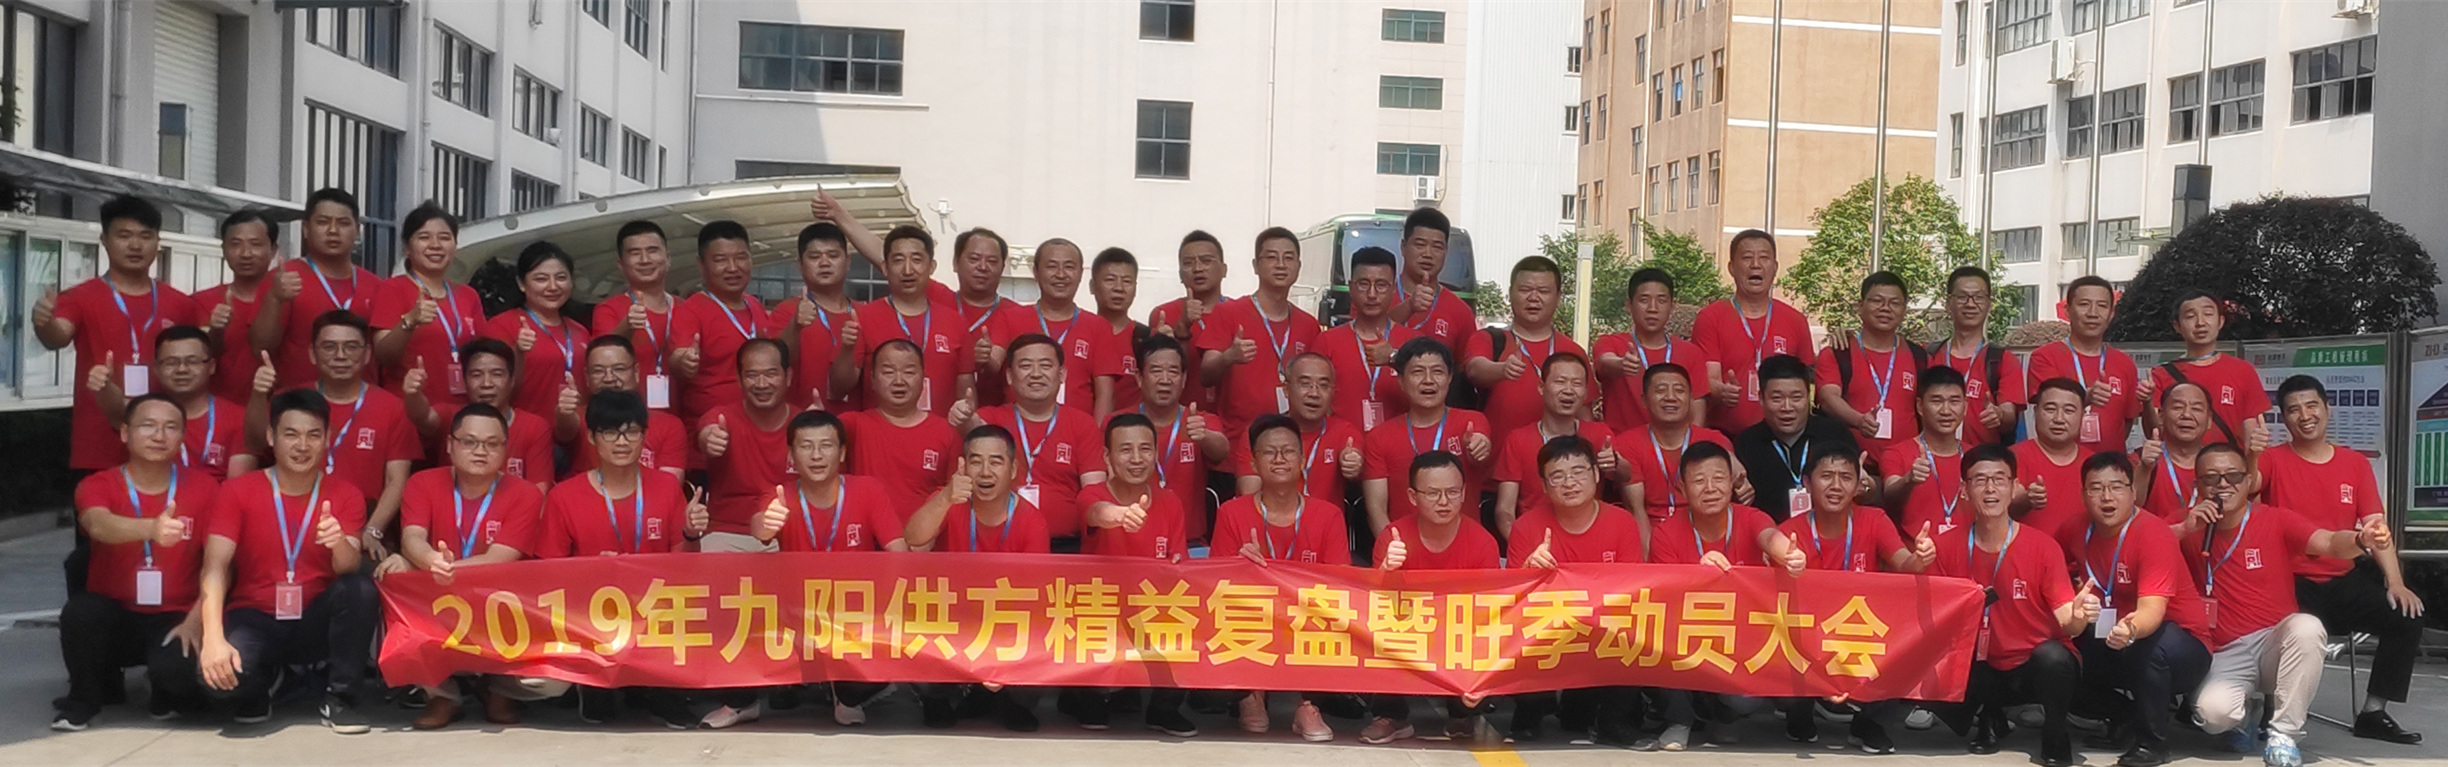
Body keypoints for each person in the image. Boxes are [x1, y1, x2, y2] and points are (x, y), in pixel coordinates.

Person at [2176, 442, 2384, 767]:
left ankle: (2284, 734)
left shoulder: (2275, 519)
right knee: (2214, 716)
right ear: (2197, 484)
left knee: (2308, 627)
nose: (2223, 485)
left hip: (2274, 642)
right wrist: (2184, 529)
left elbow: (2329, 542)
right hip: (2224, 649)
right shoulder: (2188, 522)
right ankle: (2246, 712)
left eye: (2233, 476)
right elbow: (2142, 541)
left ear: (2248, 481)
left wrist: (2360, 540)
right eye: (2211, 478)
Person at [194, 390, 380, 733]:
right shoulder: (237, 491)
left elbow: (348, 567)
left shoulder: (345, 494)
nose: (302, 446)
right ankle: (267, 681)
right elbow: (215, 567)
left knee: (359, 589)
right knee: (218, 683)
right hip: (255, 616)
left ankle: (341, 698)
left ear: (327, 439)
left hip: (315, 617)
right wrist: (213, 639)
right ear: (271, 436)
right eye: (291, 434)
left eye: (313, 435)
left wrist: (338, 542)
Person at [2260, 376, 2425, 744]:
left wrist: (2395, 582)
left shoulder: (2354, 464)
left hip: (2342, 580)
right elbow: (2247, 484)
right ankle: (2271, 708)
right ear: (2283, 418)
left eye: (2311, 405)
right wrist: (2250, 450)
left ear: (2327, 408)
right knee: (2271, 624)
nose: (2305, 415)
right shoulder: (2271, 460)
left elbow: (2376, 529)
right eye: (2293, 409)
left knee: (2407, 614)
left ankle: (2374, 712)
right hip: (2289, 582)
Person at [378, 403, 562, 729]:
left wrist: (433, 567)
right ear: (450, 445)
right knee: (393, 574)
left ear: (505, 449)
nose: (481, 451)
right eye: (470, 442)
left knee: (554, 683)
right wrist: (429, 561)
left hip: (502, 611)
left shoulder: (526, 494)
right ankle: (442, 695)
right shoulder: (422, 483)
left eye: (492, 444)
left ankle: (498, 688)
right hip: (438, 599)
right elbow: (412, 538)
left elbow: (498, 559)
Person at [535, 390, 708, 728]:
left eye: (631, 432)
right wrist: (592, 571)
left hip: (655, 604)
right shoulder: (563, 496)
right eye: (610, 432)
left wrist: (690, 533)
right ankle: (594, 685)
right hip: (592, 609)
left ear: (644, 437)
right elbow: (548, 573)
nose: (622, 441)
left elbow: (685, 568)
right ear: (591, 437)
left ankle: (663, 691)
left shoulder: (666, 487)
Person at [52, 393, 217, 731]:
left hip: (176, 615)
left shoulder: (206, 488)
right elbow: (97, 524)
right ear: (125, 433)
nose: (159, 435)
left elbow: (218, 564)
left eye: (171, 427)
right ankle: (83, 701)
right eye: (148, 426)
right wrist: (150, 529)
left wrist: (196, 620)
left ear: (182, 437)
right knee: (80, 612)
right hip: (116, 613)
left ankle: (164, 689)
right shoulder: (98, 484)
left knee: (178, 685)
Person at [743, 410, 905, 728]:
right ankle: (752, 700)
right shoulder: (780, 495)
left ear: (842, 452)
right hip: (798, 614)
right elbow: (760, 526)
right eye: (806, 446)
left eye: (826, 445)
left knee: (870, 669)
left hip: (854, 614)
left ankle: (846, 694)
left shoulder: (868, 490)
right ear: (791, 456)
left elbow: (899, 553)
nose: (816, 455)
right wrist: (767, 523)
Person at [1639, 441, 1802, 751]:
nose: (1710, 488)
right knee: (1649, 637)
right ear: (1682, 488)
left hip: (1741, 637)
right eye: (1699, 480)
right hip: (1687, 634)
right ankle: (1679, 719)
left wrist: (1789, 555)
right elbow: (1662, 598)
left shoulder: (1751, 517)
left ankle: (1723, 716)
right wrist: (1699, 577)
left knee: (1747, 701)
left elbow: (1770, 537)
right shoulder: (1666, 533)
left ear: (1733, 482)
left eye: (1718, 478)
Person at [1929, 444, 2084, 767]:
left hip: (2030, 667)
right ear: (1964, 490)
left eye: (1999, 479)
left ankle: (2055, 734)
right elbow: (1933, 619)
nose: (1990, 488)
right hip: (1978, 663)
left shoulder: (2043, 547)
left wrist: (2080, 615)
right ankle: (1987, 716)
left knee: (2053, 657)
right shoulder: (1945, 545)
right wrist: (1919, 562)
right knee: (1928, 661)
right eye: (1980, 480)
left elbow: (2067, 620)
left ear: (2014, 488)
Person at [1775, 443, 1937, 752]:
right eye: (1826, 476)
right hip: (1808, 638)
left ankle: (1869, 724)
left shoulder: (1874, 520)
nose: (1836, 485)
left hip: (1860, 635)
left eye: (1846, 477)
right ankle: (1799, 712)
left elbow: (1905, 564)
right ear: (1807, 483)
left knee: (1916, 645)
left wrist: (1921, 558)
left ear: (1858, 485)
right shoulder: (1788, 532)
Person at [2062, 452, 2210, 767]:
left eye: (2117, 487)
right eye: (2096, 488)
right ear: (2083, 495)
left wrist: (2130, 629)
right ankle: (2124, 718)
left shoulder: (2153, 534)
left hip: (2179, 645)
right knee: (2057, 660)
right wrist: (2071, 599)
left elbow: (2152, 611)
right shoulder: (2075, 528)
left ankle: (2152, 743)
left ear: (2133, 492)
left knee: (2149, 646)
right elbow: (2049, 565)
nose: (2107, 497)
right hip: (2112, 635)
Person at [901, 425, 1053, 732]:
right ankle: (937, 700)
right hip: (951, 617)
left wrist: (997, 655)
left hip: (1005, 620)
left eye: (996, 462)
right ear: (963, 465)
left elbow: (1034, 597)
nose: (985, 471)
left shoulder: (1031, 520)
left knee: (1036, 666)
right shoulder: (948, 500)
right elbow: (913, 538)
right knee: (914, 636)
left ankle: (1003, 701)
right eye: (976, 461)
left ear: (1013, 470)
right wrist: (946, 498)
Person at [1212, 415, 1353, 741]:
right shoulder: (1231, 512)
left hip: (1306, 613)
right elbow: (1216, 582)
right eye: (1269, 452)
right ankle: (1251, 693)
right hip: (1254, 612)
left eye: (1288, 451)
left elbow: (1341, 582)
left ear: (1302, 461)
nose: (1279, 459)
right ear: (1253, 463)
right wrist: (1239, 566)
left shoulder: (1328, 514)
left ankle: (1307, 704)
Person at [35, 195, 197, 478]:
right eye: (124, 235)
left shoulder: (180, 303)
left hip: (164, 442)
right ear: (105, 240)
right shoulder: (80, 297)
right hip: (98, 442)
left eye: (145, 236)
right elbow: (57, 336)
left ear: (157, 242)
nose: (135, 245)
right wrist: (44, 323)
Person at [1505, 435, 1646, 745]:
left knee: (1637, 627)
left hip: (1603, 627)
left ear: (1596, 474)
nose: (1569, 483)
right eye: (1557, 476)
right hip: (1548, 629)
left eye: (1579, 472)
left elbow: (1632, 589)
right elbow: (1512, 600)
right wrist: (1530, 570)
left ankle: (1613, 721)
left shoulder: (1622, 522)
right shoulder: (1526, 527)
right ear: (1544, 486)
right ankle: (1529, 712)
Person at [249, 311, 416, 563]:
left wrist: (372, 530)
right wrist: (258, 394)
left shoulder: (392, 407)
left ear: (367, 354)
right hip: (290, 522)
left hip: (361, 526)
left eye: (351, 347)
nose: (340, 355)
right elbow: (256, 442)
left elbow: (397, 480)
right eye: (329, 347)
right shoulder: (290, 400)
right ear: (312, 354)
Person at [1359, 451, 1501, 745]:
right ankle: (1390, 715)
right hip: (1409, 631)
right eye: (1433, 493)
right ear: (1413, 496)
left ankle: (1461, 714)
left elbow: (1490, 613)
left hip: (1458, 636)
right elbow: (1373, 605)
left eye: (1452, 492)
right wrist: (1386, 570)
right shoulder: (1393, 536)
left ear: (1464, 493)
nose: (1444, 501)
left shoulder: (1483, 543)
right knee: (1374, 632)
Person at [1066, 413, 1192, 734]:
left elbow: (1179, 562)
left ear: (1155, 453)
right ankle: (1087, 696)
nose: (1136, 458)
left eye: (1145, 449)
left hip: (1151, 606)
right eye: (1125, 450)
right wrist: (1121, 515)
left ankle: (1163, 709)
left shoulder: (1171, 501)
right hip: (1103, 607)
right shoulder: (1091, 494)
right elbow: (1098, 513)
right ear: (1107, 456)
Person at [957, 334, 1108, 547]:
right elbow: (975, 430)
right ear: (1010, 376)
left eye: (1045, 365)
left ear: (1062, 374)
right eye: (1025, 366)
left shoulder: (1083, 424)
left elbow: (1093, 492)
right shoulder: (990, 418)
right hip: (1003, 543)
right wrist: (964, 420)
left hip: (1065, 546)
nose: (1036, 374)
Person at [1362, 339, 1494, 538]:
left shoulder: (1472, 421)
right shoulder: (1379, 437)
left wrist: (1479, 447)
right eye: (1417, 372)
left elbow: (1480, 445)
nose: (1428, 380)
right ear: (1401, 381)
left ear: (1450, 378)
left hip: (1464, 546)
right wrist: (1394, 547)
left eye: (1437, 372)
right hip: (1406, 548)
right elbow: (1376, 510)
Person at [1195, 227, 1319, 439]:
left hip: (1290, 444)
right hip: (1239, 439)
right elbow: (1206, 375)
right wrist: (1228, 358)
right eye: (1271, 257)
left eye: (1288, 258)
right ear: (1255, 265)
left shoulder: (1309, 325)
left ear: (1298, 266)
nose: (1281, 265)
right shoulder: (1228, 312)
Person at [250, 188, 378, 391]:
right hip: (299, 402)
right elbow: (261, 348)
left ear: (357, 230)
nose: (333, 230)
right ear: (306, 229)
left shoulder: (376, 286)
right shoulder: (283, 279)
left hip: (361, 404)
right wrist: (275, 298)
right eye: (323, 222)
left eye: (343, 223)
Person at [1691, 230, 1814, 435]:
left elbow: (1805, 382)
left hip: (1781, 437)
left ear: (1775, 268)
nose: (1755, 264)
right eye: (1747, 257)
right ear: (1731, 267)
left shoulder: (1795, 320)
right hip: (1726, 436)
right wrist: (1720, 391)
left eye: (1764, 258)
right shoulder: (1711, 317)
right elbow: (1706, 379)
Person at [91, 326, 253, 481]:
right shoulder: (142, 411)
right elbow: (117, 410)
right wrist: (104, 387)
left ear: (211, 366)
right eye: (171, 362)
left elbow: (237, 489)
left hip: (216, 498)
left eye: (192, 361)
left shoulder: (239, 418)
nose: (182, 369)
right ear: (156, 368)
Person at [370, 202, 484, 411]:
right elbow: (384, 356)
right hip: (407, 408)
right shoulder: (393, 288)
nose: (435, 245)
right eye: (424, 237)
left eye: (445, 237)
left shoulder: (468, 296)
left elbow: (484, 353)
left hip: (461, 411)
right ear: (407, 247)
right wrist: (409, 322)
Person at [852, 225, 976, 418]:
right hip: (881, 430)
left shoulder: (955, 321)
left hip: (941, 431)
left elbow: (966, 391)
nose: (908, 270)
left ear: (931, 267)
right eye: (898, 260)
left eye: (917, 260)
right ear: (885, 267)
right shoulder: (864, 317)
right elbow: (842, 385)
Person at [986, 239, 1117, 418]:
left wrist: (1097, 432)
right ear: (1036, 272)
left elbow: (1105, 394)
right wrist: (984, 358)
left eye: (1069, 267)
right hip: (1018, 426)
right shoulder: (1010, 318)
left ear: (1080, 274)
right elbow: (993, 363)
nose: (1061, 274)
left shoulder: (1098, 326)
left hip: (1076, 430)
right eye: (1052, 266)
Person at [404, 339, 557, 491]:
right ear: (464, 381)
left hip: (515, 507)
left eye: (497, 374)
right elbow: (423, 417)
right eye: (476, 375)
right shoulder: (452, 416)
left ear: (512, 381)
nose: (486, 384)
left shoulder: (534, 427)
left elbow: (540, 490)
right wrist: (413, 394)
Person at [840, 339, 962, 527]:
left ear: (923, 378)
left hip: (924, 540)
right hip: (865, 539)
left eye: (909, 372)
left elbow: (954, 499)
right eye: (888, 372)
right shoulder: (852, 425)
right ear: (872, 379)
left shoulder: (947, 432)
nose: (899, 381)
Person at [1494, 353, 1614, 542]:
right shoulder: (1518, 439)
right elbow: (1504, 510)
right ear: (1541, 387)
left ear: (1585, 392)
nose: (1568, 390)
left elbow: (1627, 475)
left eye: (1576, 383)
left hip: (1590, 540)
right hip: (1536, 539)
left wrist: (1615, 462)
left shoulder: (1599, 434)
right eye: (1560, 382)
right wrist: (1524, 546)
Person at [1465, 256, 1586, 441]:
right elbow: (1475, 369)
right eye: (1525, 290)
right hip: (1498, 456)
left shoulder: (1573, 352)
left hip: (1558, 457)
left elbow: (1584, 414)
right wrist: (1502, 369)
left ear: (1558, 297)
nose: (1533, 298)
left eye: (1543, 291)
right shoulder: (1489, 339)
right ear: (1510, 293)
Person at [1613, 362, 1737, 540]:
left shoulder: (1713, 440)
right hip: (1652, 533)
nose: (1670, 397)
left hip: (1702, 532)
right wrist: (1649, 556)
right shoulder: (1627, 443)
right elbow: (1636, 510)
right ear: (1644, 400)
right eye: (1660, 390)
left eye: (1679, 390)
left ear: (1691, 399)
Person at [693, 338, 795, 552]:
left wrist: (817, 431)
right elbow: (707, 432)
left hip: (787, 533)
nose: (761, 384)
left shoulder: (801, 424)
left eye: (771, 374)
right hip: (727, 533)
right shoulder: (723, 418)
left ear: (788, 377)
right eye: (751, 375)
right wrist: (710, 438)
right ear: (739, 380)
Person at [667, 221, 773, 423]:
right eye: (720, 260)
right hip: (711, 427)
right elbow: (678, 357)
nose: (733, 268)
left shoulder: (755, 306)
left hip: (756, 423)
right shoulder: (691, 310)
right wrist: (684, 361)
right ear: (701, 265)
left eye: (741, 257)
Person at [1731, 354, 1855, 522]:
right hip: (1770, 532)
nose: (1787, 407)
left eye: (1796, 398)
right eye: (1777, 398)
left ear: (1809, 397)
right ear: (1761, 398)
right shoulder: (1746, 444)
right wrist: (1739, 497)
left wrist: (1867, 488)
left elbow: (1865, 490)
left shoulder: (1835, 434)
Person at [1132, 334, 1230, 545]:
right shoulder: (1118, 424)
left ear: (1184, 379)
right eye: (1156, 371)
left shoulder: (1201, 421)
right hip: (1133, 541)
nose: (1165, 380)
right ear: (1139, 377)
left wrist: (1204, 436)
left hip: (1189, 542)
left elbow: (1222, 451)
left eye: (1173, 372)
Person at [1816, 271, 1923, 463]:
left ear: (1904, 310)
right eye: (1877, 301)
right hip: (1852, 466)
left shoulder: (1919, 356)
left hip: (1908, 468)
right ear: (1860, 306)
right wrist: (1859, 421)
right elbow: (1828, 398)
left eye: (1894, 303)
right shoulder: (1839, 353)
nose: (1885, 308)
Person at [2026, 276, 2143, 453]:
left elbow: (2127, 420)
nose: (2093, 313)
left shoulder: (2124, 363)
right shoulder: (2045, 357)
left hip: (2110, 464)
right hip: (2060, 461)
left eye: (2102, 306)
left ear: (2111, 314)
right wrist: (2084, 398)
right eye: (2084, 304)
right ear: (2067, 311)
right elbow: (2046, 413)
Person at [2145, 289, 2270, 450]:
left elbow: (2251, 432)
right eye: (2190, 316)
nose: (2200, 322)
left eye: (2208, 314)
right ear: (2177, 326)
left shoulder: (2243, 370)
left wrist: (2251, 462)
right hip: (2178, 464)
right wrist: (2147, 402)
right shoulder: (2160, 375)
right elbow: (2154, 432)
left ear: (2220, 321)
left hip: (2227, 464)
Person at [1312, 246, 1418, 431]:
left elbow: (1428, 393)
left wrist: (1394, 358)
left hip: (1400, 443)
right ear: (1351, 287)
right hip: (1344, 443)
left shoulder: (1414, 342)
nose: (1372, 294)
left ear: (1394, 288)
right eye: (1363, 284)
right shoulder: (1327, 342)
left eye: (1381, 285)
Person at [479, 242, 588, 420]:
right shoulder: (502, 326)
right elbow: (492, 389)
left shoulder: (580, 331)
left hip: (576, 429)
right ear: (521, 283)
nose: (553, 286)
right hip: (526, 430)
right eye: (541, 279)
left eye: (561, 278)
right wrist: (519, 352)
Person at [1593, 267, 1708, 432]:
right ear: (1629, 305)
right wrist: (1621, 364)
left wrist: (1691, 445)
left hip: (1675, 445)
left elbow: (1697, 410)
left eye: (1661, 300)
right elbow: (1604, 362)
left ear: (1672, 306)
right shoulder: (1611, 343)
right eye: (1644, 300)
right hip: (1622, 444)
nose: (1652, 308)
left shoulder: (1691, 353)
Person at [769, 222, 864, 412]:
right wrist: (795, 326)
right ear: (800, 264)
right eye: (814, 257)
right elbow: (775, 363)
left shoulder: (864, 314)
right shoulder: (787, 311)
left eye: (833, 255)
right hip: (801, 422)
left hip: (851, 423)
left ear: (847, 262)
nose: (824, 263)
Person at [570, 335, 693, 480]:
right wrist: (565, 414)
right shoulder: (575, 421)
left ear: (636, 372)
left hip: (648, 494)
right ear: (587, 377)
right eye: (598, 371)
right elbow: (564, 431)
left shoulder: (669, 425)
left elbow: (669, 486)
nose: (609, 378)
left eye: (619, 369)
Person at [593, 220, 682, 410]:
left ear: (668, 258)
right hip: (628, 417)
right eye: (635, 253)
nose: (645, 259)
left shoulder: (686, 308)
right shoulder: (608, 310)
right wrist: (627, 326)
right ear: (621, 264)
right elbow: (601, 359)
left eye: (652, 251)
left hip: (682, 416)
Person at [1930, 267, 2024, 445]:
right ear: (1948, 303)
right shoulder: (1929, 355)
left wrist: (1999, 414)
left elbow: (2010, 415)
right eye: (1962, 297)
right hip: (1932, 457)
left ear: (1990, 304)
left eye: (1979, 297)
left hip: (1982, 459)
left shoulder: (2002, 360)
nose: (1970, 304)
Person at [196, 208, 279, 404]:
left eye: (255, 244)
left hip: (280, 412)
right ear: (223, 249)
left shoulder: (289, 301)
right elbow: (195, 359)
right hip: (218, 412)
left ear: (274, 249)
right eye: (235, 244)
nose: (246, 253)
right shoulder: (200, 302)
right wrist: (215, 331)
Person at [1883, 366, 1972, 536]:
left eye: (1954, 401)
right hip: (1915, 550)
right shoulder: (1897, 453)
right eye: (1936, 401)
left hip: (1966, 551)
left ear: (1965, 406)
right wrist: (1909, 480)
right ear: (1920, 406)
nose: (1946, 411)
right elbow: (1890, 497)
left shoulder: (1975, 457)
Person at [1150, 230, 1228, 411]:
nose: (1198, 268)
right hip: (1180, 415)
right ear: (1180, 273)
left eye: (1206, 261)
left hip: (1231, 414)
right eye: (1188, 263)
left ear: (1224, 270)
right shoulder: (1164, 314)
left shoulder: (1238, 312)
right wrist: (1176, 333)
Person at [1389, 208, 1476, 353]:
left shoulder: (1461, 312)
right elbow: (1363, 336)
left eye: (1437, 247)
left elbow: (1465, 364)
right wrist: (1409, 306)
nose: (1428, 254)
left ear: (1446, 252)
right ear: (1403, 247)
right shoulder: (1375, 297)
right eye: (1420, 245)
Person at [2136, 381, 2219, 523]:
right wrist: (2144, 468)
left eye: (2196, 409)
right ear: (2161, 416)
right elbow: (2128, 508)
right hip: (2155, 537)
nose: (2187, 415)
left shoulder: (2219, 464)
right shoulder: (2140, 459)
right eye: (2178, 407)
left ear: (2209, 420)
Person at [1088, 247, 1150, 411]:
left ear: (1135, 288)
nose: (1119, 288)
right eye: (1110, 280)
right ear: (1092, 286)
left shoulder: (1145, 337)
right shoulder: (1081, 331)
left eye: (1127, 281)